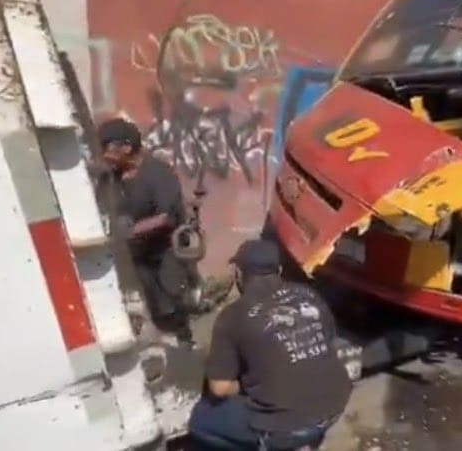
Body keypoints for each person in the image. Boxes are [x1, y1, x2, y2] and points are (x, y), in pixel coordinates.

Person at [189, 239, 352, 450]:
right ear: (280, 270)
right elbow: (326, 344)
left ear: (239, 274)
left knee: (201, 420)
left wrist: (247, 383)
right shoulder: (309, 295)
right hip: (336, 406)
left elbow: (219, 388)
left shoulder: (232, 316)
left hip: (288, 428)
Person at [97, 118, 194, 344]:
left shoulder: (157, 173)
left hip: (167, 249)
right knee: (144, 302)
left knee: (170, 301)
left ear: (126, 148)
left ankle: (184, 342)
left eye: (107, 149)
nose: (104, 155)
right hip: (137, 253)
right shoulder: (111, 178)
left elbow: (165, 217)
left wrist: (127, 233)